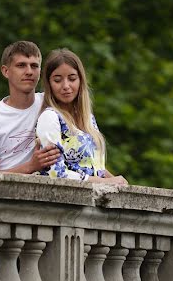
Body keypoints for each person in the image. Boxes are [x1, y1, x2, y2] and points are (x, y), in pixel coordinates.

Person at [36, 48, 127, 185]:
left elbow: (94, 167)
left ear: (81, 81)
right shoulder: (50, 117)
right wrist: (103, 182)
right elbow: (55, 173)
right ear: (49, 84)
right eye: (57, 80)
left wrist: (115, 180)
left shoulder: (88, 118)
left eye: (72, 78)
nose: (66, 86)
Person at [0, 40, 61, 172]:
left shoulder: (51, 102)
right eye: (21, 65)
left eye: (34, 66)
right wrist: (31, 166)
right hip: (7, 191)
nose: (29, 71)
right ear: (5, 71)